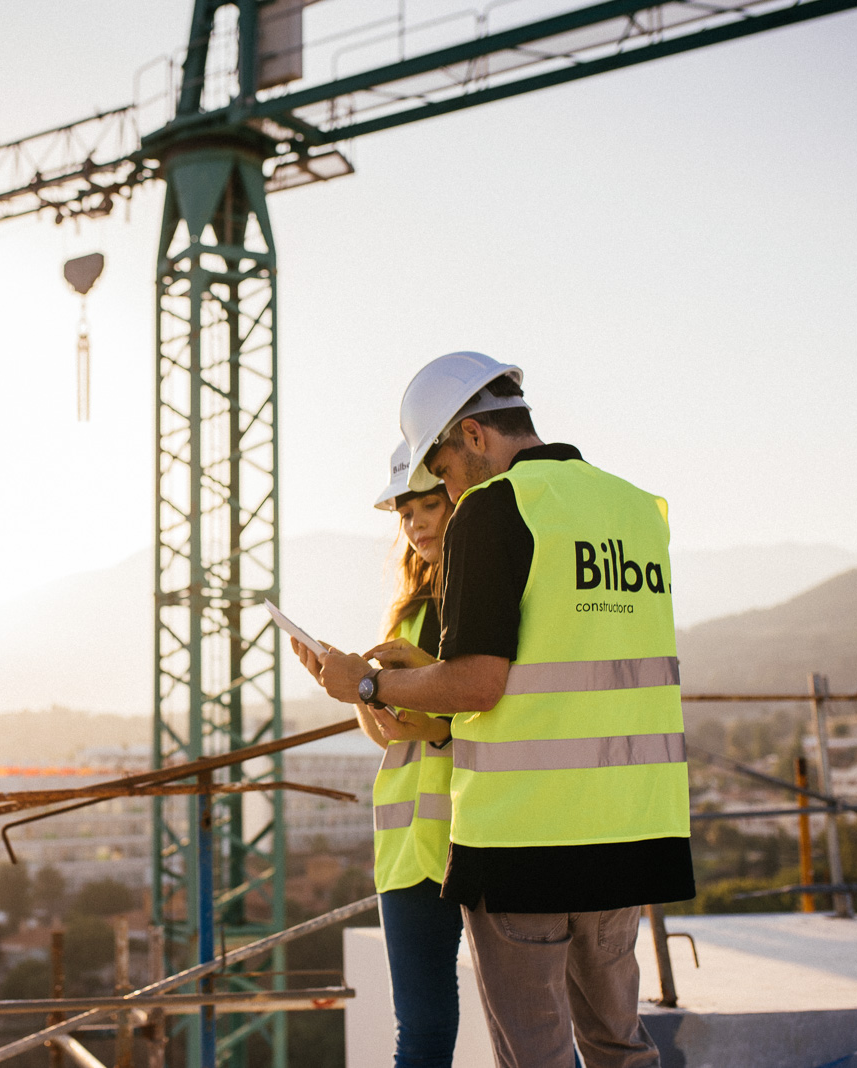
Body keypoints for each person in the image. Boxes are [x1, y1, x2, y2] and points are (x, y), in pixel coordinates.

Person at [306, 351, 694, 1068]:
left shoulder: (495, 506)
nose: (448, 487)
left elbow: (477, 684)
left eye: (443, 469)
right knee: (619, 1047)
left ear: (475, 436)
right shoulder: (639, 510)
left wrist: (368, 684)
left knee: (536, 1056)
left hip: (526, 840)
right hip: (632, 828)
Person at [359, 441, 464, 1068]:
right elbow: (393, 735)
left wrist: (424, 704)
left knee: (540, 1023)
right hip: (408, 850)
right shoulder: (410, 611)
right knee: (421, 1034)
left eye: (430, 504)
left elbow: (481, 712)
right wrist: (357, 688)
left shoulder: (491, 602)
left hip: (481, 838)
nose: (416, 521)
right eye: (406, 511)